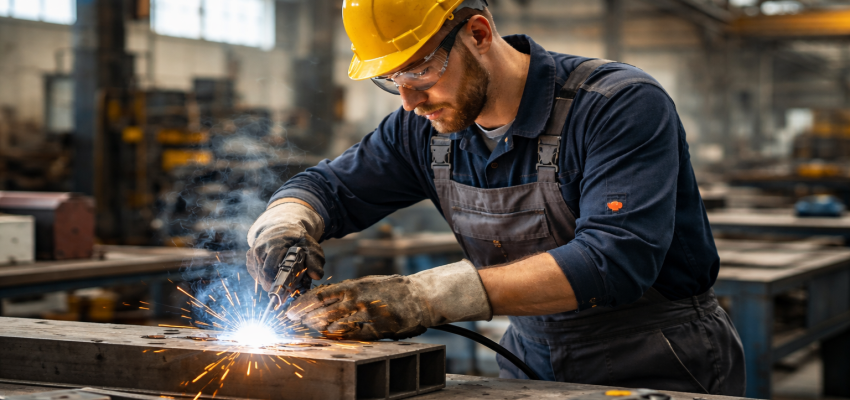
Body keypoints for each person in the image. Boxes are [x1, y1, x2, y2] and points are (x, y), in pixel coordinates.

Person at [246, 0, 745, 394]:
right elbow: (326, 188)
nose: (410, 101)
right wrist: (284, 228)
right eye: (391, 79)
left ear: (479, 34)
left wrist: (425, 297)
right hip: (529, 354)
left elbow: (617, 258)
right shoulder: (420, 130)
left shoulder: (618, 105)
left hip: (656, 357)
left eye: (420, 70)